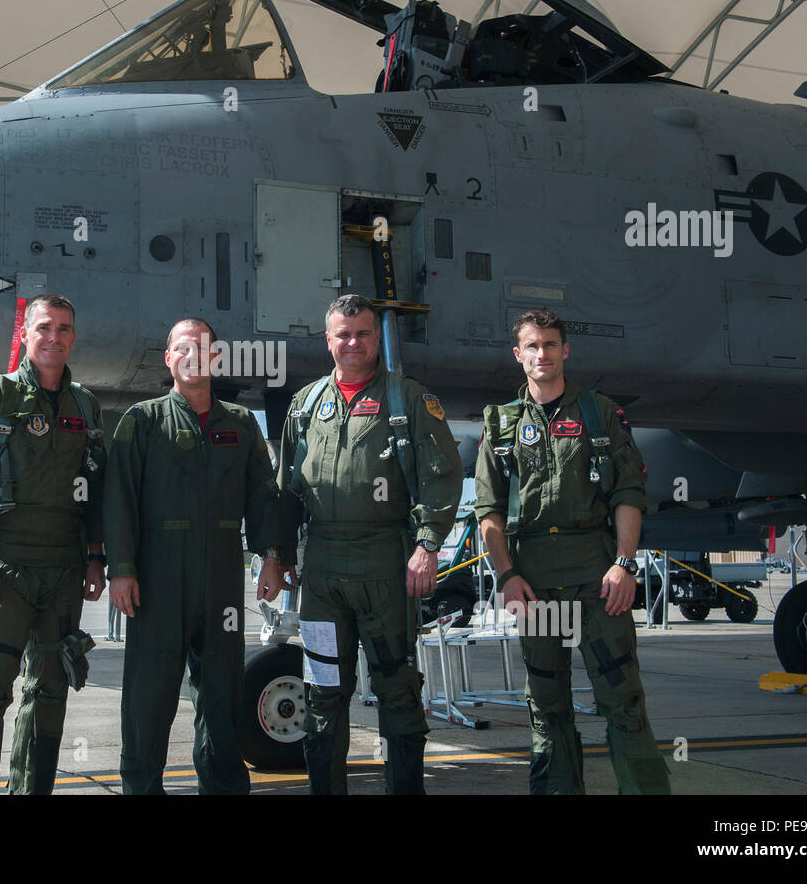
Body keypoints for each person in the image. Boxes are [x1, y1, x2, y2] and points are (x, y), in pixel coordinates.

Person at [259, 295, 462, 795]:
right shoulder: (305, 405)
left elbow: (442, 476)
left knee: (397, 694)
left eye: (363, 333)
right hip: (323, 576)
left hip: (386, 567)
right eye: (342, 334)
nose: (353, 342)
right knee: (323, 696)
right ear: (328, 340)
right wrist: (278, 554)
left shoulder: (408, 400)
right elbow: (286, 488)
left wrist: (428, 544)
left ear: (376, 338)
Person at [474, 306, 671, 795]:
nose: (543, 354)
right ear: (518, 355)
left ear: (566, 351)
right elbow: (489, 512)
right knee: (547, 707)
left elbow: (628, 493)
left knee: (623, 702)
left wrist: (624, 565)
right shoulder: (500, 424)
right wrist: (506, 576)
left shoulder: (598, 413)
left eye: (551, 344)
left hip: (599, 584)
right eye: (533, 346)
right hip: (535, 587)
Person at [0, 294, 108, 795]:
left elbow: (95, 487)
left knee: (51, 690)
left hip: (63, 570)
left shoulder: (86, 405)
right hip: (4, 567)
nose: (53, 337)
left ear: (73, 337)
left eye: (63, 328)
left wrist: (96, 557)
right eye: (44, 327)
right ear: (26, 334)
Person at [105, 317, 283, 794]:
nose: (193, 356)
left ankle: (223, 784)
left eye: (203, 349)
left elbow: (263, 496)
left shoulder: (241, 424)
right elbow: (118, 498)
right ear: (169, 358)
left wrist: (272, 556)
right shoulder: (141, 421)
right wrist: (120, 569)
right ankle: (141, 786)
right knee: (149, 694)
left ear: (216, 359)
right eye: (182, 348)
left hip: (222, 575)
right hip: (158, 577)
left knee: (222, 691)